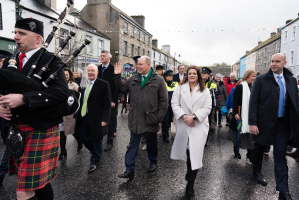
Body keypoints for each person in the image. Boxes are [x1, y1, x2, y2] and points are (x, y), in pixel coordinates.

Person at [0, 17, 68, 200]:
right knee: (38, 183)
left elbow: (62, 93)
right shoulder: (10, 61)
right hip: (17, 129)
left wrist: (24, 98)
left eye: (21, 33)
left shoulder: (50, 59)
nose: (15, 37)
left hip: (41, 128)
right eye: (15, 32)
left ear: (38, 38)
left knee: (23, 189)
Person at [249, 53, 299, 200]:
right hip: (263, 123)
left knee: (280, 157)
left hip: (282, 125)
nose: (274, 64)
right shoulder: (260, 80)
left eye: (277, 61)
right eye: (272, 61)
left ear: (284, 63)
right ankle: (256, 172)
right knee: (258, 148)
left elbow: (295, 103)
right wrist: (253, 122)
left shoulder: (291, 80)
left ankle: (283, 191)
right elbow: (253, 103)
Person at [113, 56, 168, 179]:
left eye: (140, 64)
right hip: (136, 119)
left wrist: (158, 118)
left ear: (148, 65)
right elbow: (121, 88)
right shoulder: (133, 78)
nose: (137, 66)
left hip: (151, 120)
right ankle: (129, 170)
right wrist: (117, 76)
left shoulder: (158, 80)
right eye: (137, 64)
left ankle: (153, 160)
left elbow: (164, 102)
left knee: (151, 143)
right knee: (133, 144)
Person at [170, 66, 212, 198]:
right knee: (187, 152)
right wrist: (184, 117)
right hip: (184, 124)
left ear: (198, 75)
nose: (192, 75)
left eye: (194, 73)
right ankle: (189, 172)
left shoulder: (205, 90)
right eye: (190, 73)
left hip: (198, 125)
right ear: (186, 75)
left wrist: (193, 117)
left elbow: (207, 107)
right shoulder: (180, 88)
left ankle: (190, 185)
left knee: (195, 154)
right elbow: (174, 104)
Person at [74, 64, 111, 173]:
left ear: (97, 72)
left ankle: (94, 161)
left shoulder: (103, 84)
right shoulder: (83, 84)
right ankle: (96, 152)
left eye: (92, 70)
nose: (90, 72)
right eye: (88, 70)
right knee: (82, 136)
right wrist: (76, 116)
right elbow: (80, 101)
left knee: (96, 139)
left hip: (97, 118)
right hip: (83, 116)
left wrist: (105, 119)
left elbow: (107, 104)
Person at [228, 70, 256, 161]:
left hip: (250, 115)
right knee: (237, 133)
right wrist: (236, 112)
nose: (254, 78)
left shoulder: (255, 86)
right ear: (247, 76)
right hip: (240, 114)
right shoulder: (240, 86)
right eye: (252, 76)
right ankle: (236, 151)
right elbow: (235, 100)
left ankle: (250, 154)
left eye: (255, 76)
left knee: (251, 137)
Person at [58, 68, 82, 160]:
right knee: (62, 132)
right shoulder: (58, 85)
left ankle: (79, 142)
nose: (65, 76)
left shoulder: (74, 85)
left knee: (73, 132)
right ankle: (63, 150)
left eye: (67, 75)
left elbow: (78, 101)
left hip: (70, 112)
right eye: (63, 74)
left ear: (69, 76)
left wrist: (76, 113)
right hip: (60, 112)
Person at [98, 50, 119, 151]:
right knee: (100, 121)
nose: (102, 58)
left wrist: (114, 100)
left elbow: (116, 86)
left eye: (104, 56)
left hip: (110, 100)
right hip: (100, 100)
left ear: (109, 58)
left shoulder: (113, 69)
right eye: (101, 56)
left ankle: (109, 142)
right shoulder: (98, 69)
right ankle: (99, 141)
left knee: (111, 122)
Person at [0, 50, 12, 187]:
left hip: (12, 121)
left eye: (1, 62)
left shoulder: (11, 78)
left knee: (10, 149)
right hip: (3, 122)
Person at [162, 70, 178, 143]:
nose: (171, 77)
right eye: (169, 76)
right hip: (166, 106)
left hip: (174, 106)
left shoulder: (176, 84)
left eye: (171, 76)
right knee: (166, 121)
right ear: (165, 77)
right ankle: (165, 136)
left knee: (175, 121)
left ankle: (174, 135)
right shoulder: (163, 84)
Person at [201, 67, 218, 142]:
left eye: (205, 74)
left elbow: (214, 96)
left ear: (208, 75)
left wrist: (214, 107)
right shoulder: (198, 83)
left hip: (208, 107)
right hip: (199, 106)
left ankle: (205, 140)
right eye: (202, 73)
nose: (203, 75)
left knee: (207, 123)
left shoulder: (212, 84)